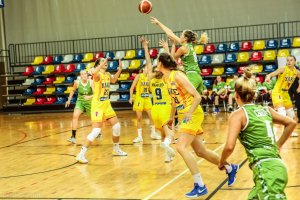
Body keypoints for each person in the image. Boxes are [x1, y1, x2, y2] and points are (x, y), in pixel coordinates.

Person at [157, 52, 238, 198]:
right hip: (184, 115)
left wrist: (189, 113)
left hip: (192, 113)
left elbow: (197, 96)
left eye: (157, 62)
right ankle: (230, 167)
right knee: (201, 151)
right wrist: (171, 118)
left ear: (161, 63)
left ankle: (200, 185)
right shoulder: (165, 78)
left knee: (181, 147)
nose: (157, 64)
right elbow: (174, 100)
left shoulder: (178, 75)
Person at [219, 68, 297, 199]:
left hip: (266, 171)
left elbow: (229, 147)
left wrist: (222, 162)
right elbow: (291, 123)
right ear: (254, 95)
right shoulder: (266, 110)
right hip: (276, 166)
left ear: (236, 95)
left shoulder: (238, 115)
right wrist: (277, 145)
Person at [76, 58, 127, 164]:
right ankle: (81, 154)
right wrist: (99, 65)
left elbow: (113, 80)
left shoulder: (107, 74)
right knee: (96, 131)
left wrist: (120, 69)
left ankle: (116, 149)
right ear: (98, 64)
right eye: (103, 62)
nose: (105, 63)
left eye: (106, 62)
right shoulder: (98, 74)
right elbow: (94, 72)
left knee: (117, 126)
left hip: (106, 104)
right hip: (98, 105)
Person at [150, 16, 208, 95]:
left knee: (182, 97)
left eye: (181, 35)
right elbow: (171, 33)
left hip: (192, 76)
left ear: (185, 38)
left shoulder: (183, 48)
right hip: (197, 75)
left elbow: (172, 59)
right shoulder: (188, 45)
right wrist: (158, 23)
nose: (180, 36)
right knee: (194, 101)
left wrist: (172, 45)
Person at [141, 36, 175, 162]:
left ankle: (167, 156)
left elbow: (148, 62)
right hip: (165, 107)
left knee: (162, 134)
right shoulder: (166, 77)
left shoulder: (150, 77)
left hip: (154, 109)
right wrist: (167, 47)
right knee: (170, 135)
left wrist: (145, 47)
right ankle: (166, 146)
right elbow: (171, 62)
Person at [265, 55, 300, 136]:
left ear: (294, 62)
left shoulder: (296, 71)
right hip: (277, 92)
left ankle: (288, 132)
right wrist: (268, 77)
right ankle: (272, 134)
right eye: (287, 60)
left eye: (291, 60)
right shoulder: (283, 69)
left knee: (291, 116)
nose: (289, 62)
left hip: (285, 94)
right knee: (282, 114)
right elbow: (271, 74)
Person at [129, 54, 161, 143]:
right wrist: (131, 97)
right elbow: (132, 88)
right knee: (139, 118)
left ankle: (153, 133)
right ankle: (139, 136)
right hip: (139, 99)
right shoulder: (138, 76)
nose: (148, 69)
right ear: (143, 68)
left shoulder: (150, 78)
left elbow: (151, 89)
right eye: (147, 67)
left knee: (152, 116)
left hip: (147, 99)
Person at [65, 70, 93, 144]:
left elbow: (96, 93)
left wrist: (89, 97)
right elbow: (73, 91)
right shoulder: (77, 82)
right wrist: (69, 100)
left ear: (87, 75)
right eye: (82, 74)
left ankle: (97, 131)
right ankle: (73, 137)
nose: (84, 75)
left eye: (85, 74)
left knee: (94, 118)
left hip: (89, 102)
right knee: (75, 116)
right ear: (80, 76)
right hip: (80, 102)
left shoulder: (91, 82)